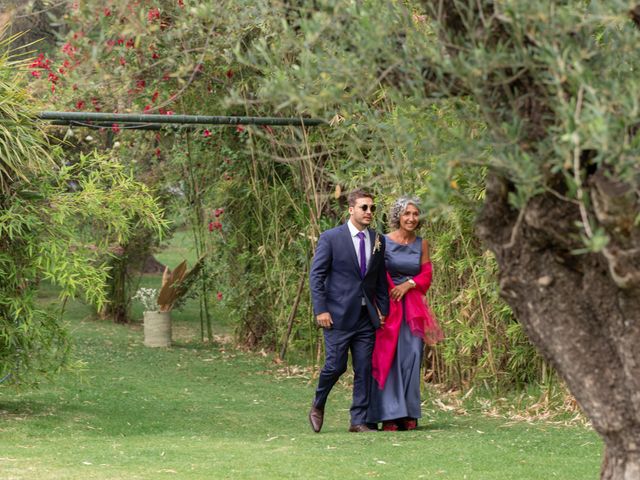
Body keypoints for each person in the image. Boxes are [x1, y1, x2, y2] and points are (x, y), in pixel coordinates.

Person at [308, 189, 390, 433]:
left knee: (364, 368)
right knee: (336, 366)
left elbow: (379, 280)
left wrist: (382, 308)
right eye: (364, 207)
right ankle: (318, 404)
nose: (369, 212)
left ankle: (358, 420)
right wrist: (321, 309)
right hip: (337, 315)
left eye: (372, 208)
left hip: (366, 317)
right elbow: (317, 275)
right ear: (351, 209)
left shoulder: (378, 239)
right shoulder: (331, 238)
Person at [367, 196, 443, 431]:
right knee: (388, 357)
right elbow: (374, 273)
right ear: (398, 216)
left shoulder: (422, 244)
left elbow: (426, 275)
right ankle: (389, 414)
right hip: (389, 306)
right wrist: (382, 301)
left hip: (412, 308)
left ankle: (408, 412)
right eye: (407, 213)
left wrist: (408, 284)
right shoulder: (382, 241)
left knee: (411, 357)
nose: (411, 218)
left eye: (415, 214)